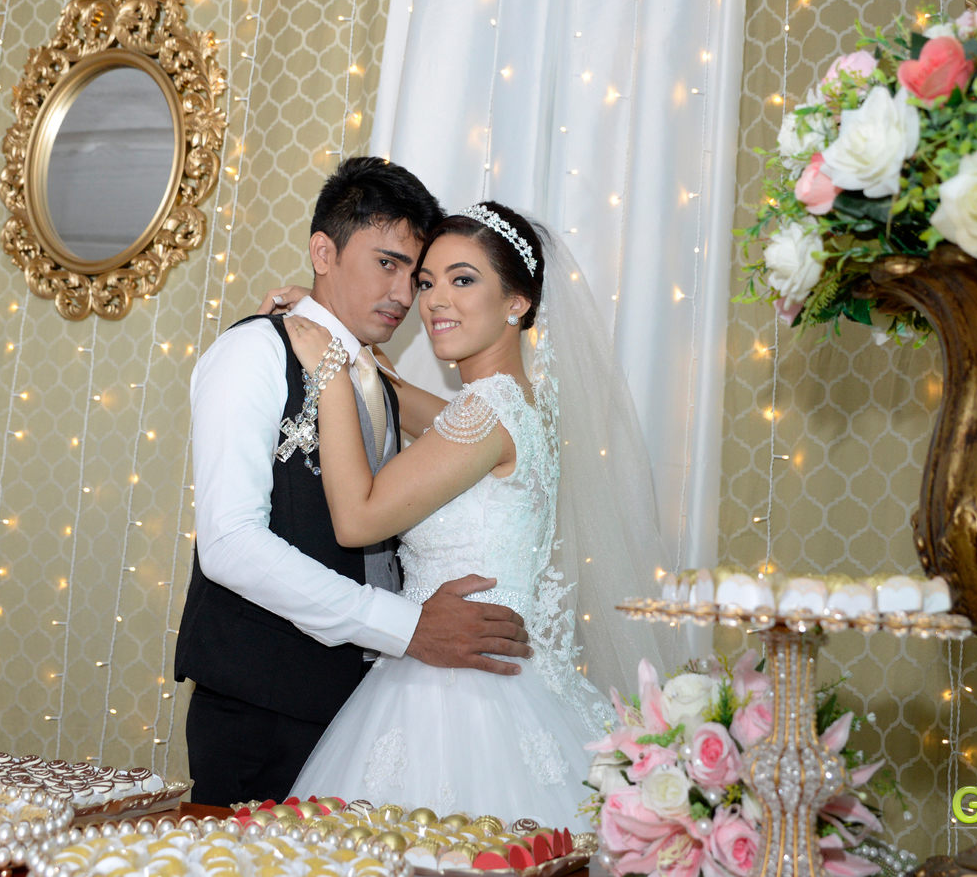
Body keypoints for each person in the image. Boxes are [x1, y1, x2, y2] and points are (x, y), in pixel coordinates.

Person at [277, 201, 675, 824]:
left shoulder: (485, 412)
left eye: (463, 280)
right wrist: (339, 332)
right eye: (427, 282)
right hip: (504, 675)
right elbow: (410, 405)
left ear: (517, 302)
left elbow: (358, 520)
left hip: (455, 687)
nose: (435, 300)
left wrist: (328, 373)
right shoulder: (518, 404)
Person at [174, 159, 532, 808]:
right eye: (387, 264)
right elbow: (228, 543)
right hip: (263, 707)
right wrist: (405, 625)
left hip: (366, 710)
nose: (405, 295)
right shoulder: (255, 352)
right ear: (324, 252)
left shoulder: (374, 376)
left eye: (414, 276)